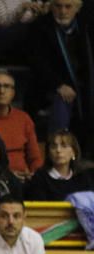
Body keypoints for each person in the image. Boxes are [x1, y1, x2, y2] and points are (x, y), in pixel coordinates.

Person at [31, 0, 93, 146]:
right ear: (51, 7)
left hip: (83, 82)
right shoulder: (40, 27)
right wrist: (58, 85)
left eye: (68, 6)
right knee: (62, 102)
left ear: (77, 9)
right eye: (58, 6)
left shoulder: (86, 25)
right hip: (52, 85)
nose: (63, 11)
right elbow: (38, 63)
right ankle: (56, 154)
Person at [24, 129, 94, 201]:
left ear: (73, 152)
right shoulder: (40, 178)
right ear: (49, 153)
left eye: (64, 146)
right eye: (54, 147)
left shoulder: (83, 179)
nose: (58, 150)